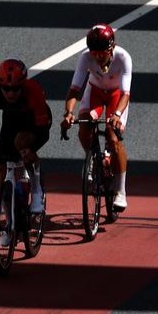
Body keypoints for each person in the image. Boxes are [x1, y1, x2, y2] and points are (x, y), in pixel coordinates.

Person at [60, 23, 132, 211]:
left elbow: (126, 93)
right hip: (96, 93)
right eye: (95, 53)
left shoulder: (123, 58)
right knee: (84, 127)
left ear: (112, 48)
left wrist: (116, 115)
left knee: (113, 137)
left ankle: (121, 191)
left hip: (117, 95)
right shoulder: (85, 58)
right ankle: (93, 158)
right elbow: (75, 89)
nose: (98, 57)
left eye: (102, 53)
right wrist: (68, 113)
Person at [0, 58, 52, 218]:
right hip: (11, 121)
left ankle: (37, 191)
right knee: (2, 167)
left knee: (21, 144)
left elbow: (43, 130)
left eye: (16, 89)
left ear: (23, 84)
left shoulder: (34, 91)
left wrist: (31, 149)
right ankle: (9, 219)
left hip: (36, 122)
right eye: (6, 89)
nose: (10, 93)